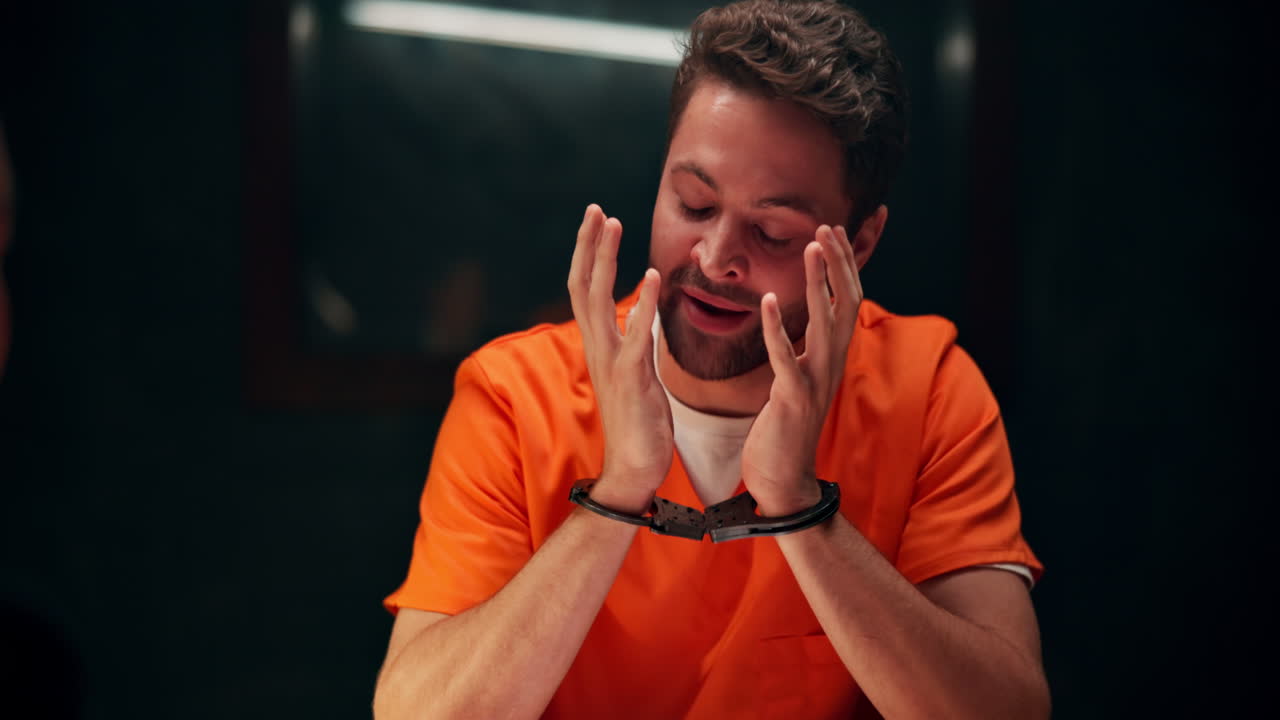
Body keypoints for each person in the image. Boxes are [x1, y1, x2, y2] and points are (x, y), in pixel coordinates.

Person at [374, 1, 1047, 718]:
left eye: (773, 231)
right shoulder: (516, 394)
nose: (716, 258)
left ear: (862, 243)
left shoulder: (927, 389)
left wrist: (797, 509)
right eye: (694, 204)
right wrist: (618, 494)